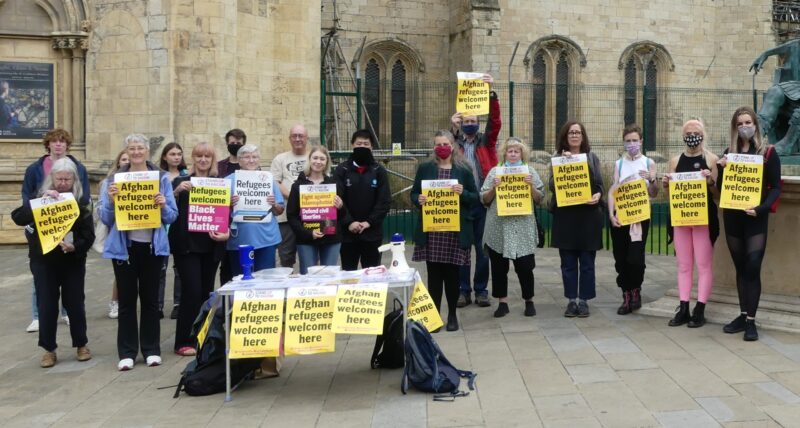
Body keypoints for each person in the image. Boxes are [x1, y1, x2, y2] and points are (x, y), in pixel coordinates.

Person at [100, 133, 178, 371]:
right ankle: (127, 352)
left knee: (151, 300)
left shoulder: (161, 178)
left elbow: (172, 216)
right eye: (131, 148)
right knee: (126, 300)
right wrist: (112, 202)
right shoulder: (114, 180)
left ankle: (152, 349)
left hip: (153, 248)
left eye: (140, 148)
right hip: (125, 248)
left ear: (147, 152)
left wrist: (163, 204)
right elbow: (104, 217)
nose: (136, 152)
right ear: (127, 151)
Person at [12, 158, 94, 368]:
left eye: (67, 179)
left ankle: (81, 344)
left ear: (74, 179)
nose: (63, 183)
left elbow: (88, 235)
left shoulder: (80, 202)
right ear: (52, 178)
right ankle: (49, 349)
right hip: (44, 261)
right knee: (46, 304)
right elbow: (18, 217)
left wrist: (75, 246)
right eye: (59, 178)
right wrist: (39, 201)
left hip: (71, 261)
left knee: (75, 303)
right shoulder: (40, 198)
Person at [717, 107, 782, 341]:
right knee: (741, 266)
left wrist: (762, 208)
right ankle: (743, 315)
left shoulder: (767, 153)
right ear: (735, 127)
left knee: (753, 265)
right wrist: (721, 169)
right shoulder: (729, 153)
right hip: (733, 216)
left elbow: (776, 187)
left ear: (755, 124)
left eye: (748, 122)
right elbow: (721, 188)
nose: (745, 126)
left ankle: (752, 321)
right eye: (740, 123)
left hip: (755, 217)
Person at [22, 128, 90, 333]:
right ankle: (38, 315)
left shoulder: (78, 167)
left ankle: (68, 313)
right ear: (48, 144)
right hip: (44, 224)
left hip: (70, 225)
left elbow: (83, 194)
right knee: (42, 277)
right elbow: (27, 195)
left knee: (72, 278)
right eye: (54, 141)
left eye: (62, 142)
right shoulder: (35, 168)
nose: (58, 145)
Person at [410, 130, 479, 332]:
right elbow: (414, 193)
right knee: (434, 276)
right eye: (438, 144)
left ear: (452, 146)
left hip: (454, 231)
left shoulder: (463, 170)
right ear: (434, 147)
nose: (441, 147)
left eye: (445, 143)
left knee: (452, 276)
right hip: (432, 231)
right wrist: (418, 199)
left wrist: (463, 193)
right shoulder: (425, 168)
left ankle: (452, 315)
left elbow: (475, 197)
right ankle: (435, 316)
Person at [170, 142, 229, 356]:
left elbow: (226, 216)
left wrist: (226, 232)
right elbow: (168, 211)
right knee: (191, 292)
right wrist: (176, 192)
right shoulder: (181, 182)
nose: (203, 160)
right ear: (193, 159)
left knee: (206, 293)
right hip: (187, 246)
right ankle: (183, 341)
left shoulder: (219, 183)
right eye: (199, 156)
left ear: (212, 160)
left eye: (207, 156)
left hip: (211, 245)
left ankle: (202, 337)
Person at [661, 118, 719, 328]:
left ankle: (700, 309)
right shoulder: (675, 161)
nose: (692, 136)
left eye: (695, 132)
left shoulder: (711, 159)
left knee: (703, 265)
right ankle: (683, 307)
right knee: (684, 265)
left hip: (703, 219)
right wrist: (667, 185)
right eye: (688, 133)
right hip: (682, 219)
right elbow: (671, 196)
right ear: (683, 136)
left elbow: (716, 193)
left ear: (703, 134)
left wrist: (710, 180)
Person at [450, 73, 500, 308]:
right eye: (465, 120)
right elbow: (443, 151)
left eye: (473, 120)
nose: (469, 123)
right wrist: (453, 128)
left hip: (483, 202)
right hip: (460, 203)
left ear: (478, 123)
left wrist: (491, 94)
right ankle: (463, 290)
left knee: (482, 250)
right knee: (461, 250)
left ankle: (481, 290)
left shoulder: (486, 142)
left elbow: (496, 123)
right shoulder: (454, 144)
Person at [480, 137, 544, 318]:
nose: (513, 154)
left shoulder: (530, 172)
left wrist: (531, 186)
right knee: (499, 268)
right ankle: (503, 302)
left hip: (522, 228)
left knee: (525, 267)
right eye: (510, 151)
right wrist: (493, 188)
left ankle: (529, 300)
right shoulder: (495, 172)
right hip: (498, 228)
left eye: (517, 151)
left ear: (522, 154)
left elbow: (540, 198)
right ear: (504, 153)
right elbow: (484, 199)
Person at [549, 121, 604, 318]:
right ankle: (571, 300)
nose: (574, 135)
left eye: (578, 132)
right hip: (566, 217)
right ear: (565, 136)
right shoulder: (557, 158)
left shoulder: (591, 157)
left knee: (587, 262)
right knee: (568, 262)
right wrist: (563, 164)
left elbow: (599, 185)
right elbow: (552, 186)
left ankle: (584, 300)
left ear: (583, 136)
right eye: (571, 132)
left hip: (588, 217)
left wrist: (598, 196)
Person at [607, 124, 659, 315]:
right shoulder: (618, 164)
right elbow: (613, 191)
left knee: (635, 258)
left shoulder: (648, 163)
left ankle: (636, 290)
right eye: (628, 141)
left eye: (634, 140)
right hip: (621, 217)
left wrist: (652, 180)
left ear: (641, 141)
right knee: (620, 259)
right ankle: (626, 294)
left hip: (639, 218)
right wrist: (611, 214)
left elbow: (654, 194)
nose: (631, 144)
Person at [334, 129, 391, 270]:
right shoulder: (342, 170)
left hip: (372, 234)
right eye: (359, 143)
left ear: (372, 147)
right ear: (352, 145)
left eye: (366, 144)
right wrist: (349, 222)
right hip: (348, 234)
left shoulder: (379, 171)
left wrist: (369, 222)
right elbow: (336, 199)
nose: (362, 147)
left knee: (372, 275)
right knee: (348, 275)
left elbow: (384, 201)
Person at [286, 145, 346, 274]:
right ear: (309, 160)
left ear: (326, 162)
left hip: (331, 239)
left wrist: (341, 207)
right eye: (315, 158)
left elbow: (341, 216)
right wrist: (308, 233)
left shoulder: (334, 185)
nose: (318, 162)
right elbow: (291, 216)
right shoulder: (298, 186)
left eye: (322, 159)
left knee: (329, 277)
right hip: (306, 238)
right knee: (307, 277)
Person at [227, 144, 285, 274]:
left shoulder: (268, 180)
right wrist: (228, 204)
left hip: (266, 239)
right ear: (239, 161)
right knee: (241, 279)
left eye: (254, 157)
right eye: (247, 157)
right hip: (239, 240)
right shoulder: (228, 181)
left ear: (259, 159)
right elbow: (219, 212)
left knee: (265, 281)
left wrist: (274, 204)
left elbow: (280, 210)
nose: (251, 160)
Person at [271, 125, 310, 270]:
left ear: (307, 138)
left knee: (310, 257)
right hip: (285, 217)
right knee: (285, 257)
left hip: (310, 216)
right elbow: (275, 182)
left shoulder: (314, 157)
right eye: (294, 136)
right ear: (289, 139)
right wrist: (295, 198)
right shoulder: (280, 159)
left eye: (301, 136)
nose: (297, 139)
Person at [98, 150, 130, 319]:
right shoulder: (108, 183)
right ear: (118, 162)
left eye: (129, 159)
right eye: (123, 159)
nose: (126, 162)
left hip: (138, 231)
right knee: (120, 274)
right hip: (118, 233)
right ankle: (115, 302)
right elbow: (103, 213)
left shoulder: (146, 180)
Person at [159, 142, 189, 320]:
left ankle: (178, 303)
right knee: (160, 267)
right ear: (164, 156)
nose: (176, 157)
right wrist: (175, 191)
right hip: (163, 225)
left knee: (179, 267)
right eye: (172, 154)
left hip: (180, 225)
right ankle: (158, 304)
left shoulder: (188, 176)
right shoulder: (159, 176)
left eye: (179, 154)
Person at [217, 129, 246, 286]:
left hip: (245, 223)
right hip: (224, 221)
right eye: (232, 143)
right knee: (226, 265)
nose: (235, 146)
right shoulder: (219, 167)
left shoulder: (251, 168)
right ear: (227, 144)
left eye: (238, 143)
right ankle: (225, 303)